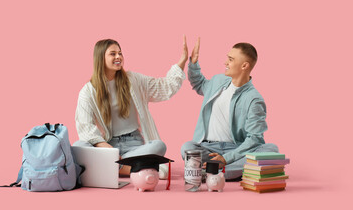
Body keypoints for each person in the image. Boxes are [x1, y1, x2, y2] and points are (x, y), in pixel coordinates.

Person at [74, 38, 188, 179]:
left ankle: (115, 167)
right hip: (108, 145)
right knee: (79, 145)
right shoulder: (88, 91)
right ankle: (131, 168)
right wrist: (107, 148)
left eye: (120, 53)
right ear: (100, 58)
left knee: (158, 146)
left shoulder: (133, 80)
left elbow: (163, 87)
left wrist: (182, 62)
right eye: (113, 54)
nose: (118, 57)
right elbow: (85, 128)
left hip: (134, 146)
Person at [181, 38, 278, 180]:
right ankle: (227, 171)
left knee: (271, 150)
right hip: (209, 148)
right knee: (187, 147)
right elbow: (199, 84)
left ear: (244, 66)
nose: (225, 62)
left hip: (236, 149)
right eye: (227, 58)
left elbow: (255, 139)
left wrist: (226, 158)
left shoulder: (254, 99)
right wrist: (193, 63)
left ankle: (213, 172)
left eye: (231, 59)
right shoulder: (218, 81)